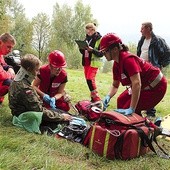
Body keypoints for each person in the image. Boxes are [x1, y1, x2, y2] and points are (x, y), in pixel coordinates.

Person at [101, 33, 167, 116]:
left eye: (105, 51)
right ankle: (140, 124)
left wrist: (132, 108)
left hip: (156, 86)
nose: (104, 54)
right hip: (145, 85)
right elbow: (115, 85)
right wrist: (108, 96)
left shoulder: (128, 60)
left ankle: (149, 127)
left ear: (115, 49)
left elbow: (136, 83)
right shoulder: (116, 65)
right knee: (121, 101)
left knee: (128, 109)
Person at [8, 54, 72, 132]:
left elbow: (60, 92)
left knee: (59, 111)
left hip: (21, 112)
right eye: (36, 70)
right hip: (26, 116)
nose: (38, 73)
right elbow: (40, 111)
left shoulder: (15, 81)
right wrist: (61, 117)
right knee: (61, 120)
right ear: (28, 69)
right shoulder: (25, 89)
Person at [137, 22, 170, 117]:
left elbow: (168, 53)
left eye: (142, 29)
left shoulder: (158, 40)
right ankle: (140, 108)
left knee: (150, 89)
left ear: (148, 28)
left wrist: (161, 65)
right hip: (142, 68)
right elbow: (140, 52)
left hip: (152, 70)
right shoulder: (142, 40)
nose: (140, 30)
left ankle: (151, 113)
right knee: (141, 88)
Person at [78, 23, 103, 103]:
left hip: (94, 63)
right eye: (87, 31)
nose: (87, 33)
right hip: (86, 62)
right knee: (88, 80)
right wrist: (81, 47)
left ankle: (97, 99)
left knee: (90, 79)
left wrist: (92, 50)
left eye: (89, 31)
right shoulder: (87, 38)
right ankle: (93, 98)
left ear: (93, 30)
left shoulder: (99, 39)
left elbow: (101, 53)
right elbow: (83, 52)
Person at [0, 33, 16, 104]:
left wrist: (10, 68)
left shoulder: (1, 55)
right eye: (8, 47)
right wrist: (10, 75)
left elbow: (4, 65)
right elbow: (1, 75)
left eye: (11, 48)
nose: (10, 50)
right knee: (10, 83)